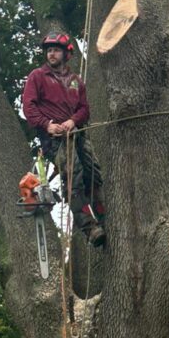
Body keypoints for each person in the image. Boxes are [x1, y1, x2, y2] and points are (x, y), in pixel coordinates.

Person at [22, 32, 106, 247]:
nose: (51, 54)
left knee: (94, 174)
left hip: (77, 133)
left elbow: (84, 109)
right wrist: (47, 125)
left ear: (66, 53)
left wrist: (73, 121)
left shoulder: (76, 81)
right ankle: (89, 228)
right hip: (55, 140)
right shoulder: (38, 77)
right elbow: (28, 107)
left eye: (56, 50)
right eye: (49, 50)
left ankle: (102, 215)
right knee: (73, 176)